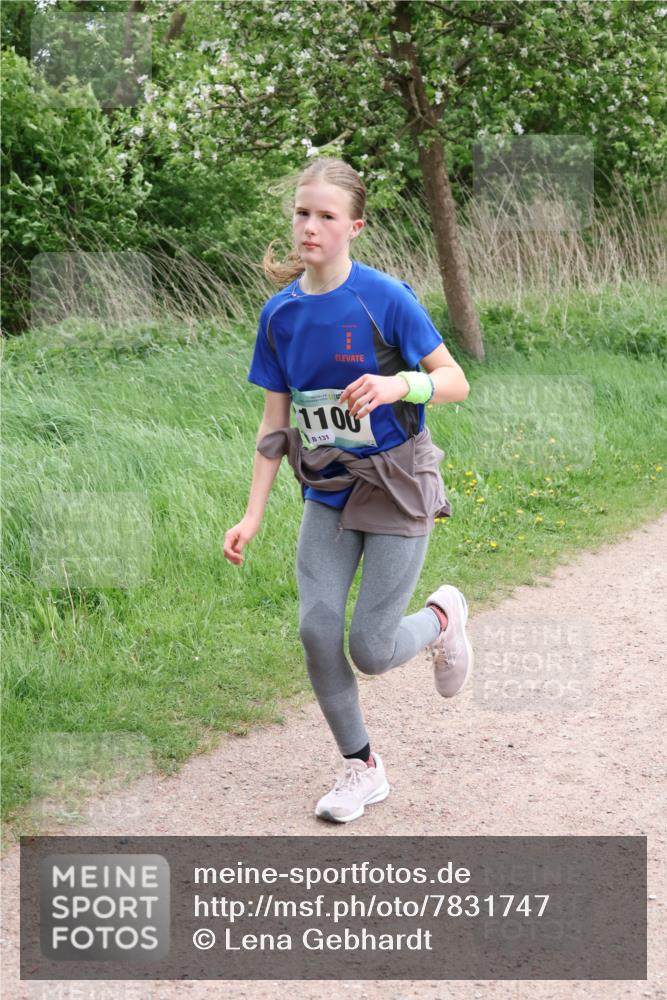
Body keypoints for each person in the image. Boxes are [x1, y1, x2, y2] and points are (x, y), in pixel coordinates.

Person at [223, 157, 473, 824]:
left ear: (353, 226)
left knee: (371, 647)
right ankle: (360, 767)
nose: (309, 226)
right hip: (327, 489)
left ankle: (444, 619)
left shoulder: (384, 297)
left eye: (325, 216)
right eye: (302, 213)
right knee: (315, 627)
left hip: (396, 486)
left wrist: (398, 385)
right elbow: (274, 424)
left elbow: (454, 381)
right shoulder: (279, 313)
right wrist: (251, 515)